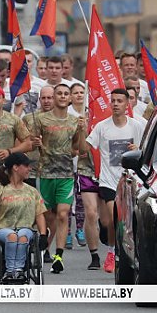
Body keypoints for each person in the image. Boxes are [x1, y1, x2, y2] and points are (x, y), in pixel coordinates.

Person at [85, 88, 147, 273]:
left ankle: (125, 250)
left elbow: (146, 151)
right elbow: (84, 147)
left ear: (127, 103)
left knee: (125, 221)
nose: (115, 104)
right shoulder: (102, 127)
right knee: (113, 220)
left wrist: (139, 148)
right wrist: (81, 130)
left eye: (119, 101)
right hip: (108, 181)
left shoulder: (136, 126)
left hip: (129, 181)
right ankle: (112, 251)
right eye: (113, 101)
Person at [30, 83, 82, 274]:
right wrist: (34, 142)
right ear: (54, 97)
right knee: (47, 216)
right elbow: (31, 143)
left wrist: (82, 131)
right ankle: (42, 244)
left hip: (66, 175)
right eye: (58, 93)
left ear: (69, 99)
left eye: (65, 94)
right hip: (45, 175)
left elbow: (77, 149)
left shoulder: (75, 122)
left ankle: (58, 256)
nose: (61, 96)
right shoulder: (42, 119)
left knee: (62, 214)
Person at [0, 153, 49, 282]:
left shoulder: (32, 191)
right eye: (26, 166)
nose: (29, 169)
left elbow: (39, 214)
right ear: (15, 168)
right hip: (2, 229)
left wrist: (43, 235)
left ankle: (18, 270)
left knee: (22, 236)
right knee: (12, 236)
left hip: (26, 228)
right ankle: (10, 271)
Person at [74, 113, 103, 270]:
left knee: (108, 219)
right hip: (87, 172)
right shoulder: (82, 120)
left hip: (107, 172)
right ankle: (95, 255)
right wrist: (82, 130)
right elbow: (82, 150)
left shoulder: (109, 121)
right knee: (91, 213)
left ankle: (113, 249)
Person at [66, 83, 87, 249]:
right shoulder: (67, 114)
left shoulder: (89, 112)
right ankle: (66, 232)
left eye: (82, 92)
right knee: (67, 200)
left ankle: (79, 229)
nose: (79, 95)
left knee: (80, 199)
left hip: (83, 164)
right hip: (67, 163)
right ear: (70, 96)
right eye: (76, 93)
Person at [22, 85, 55, 187]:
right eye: (43, 98)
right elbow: (19, 143)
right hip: (32, 172)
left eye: (49, 98)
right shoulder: (28, 118)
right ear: (39, 99)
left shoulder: (62, 119)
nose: (46, 101)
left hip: (54, 172)